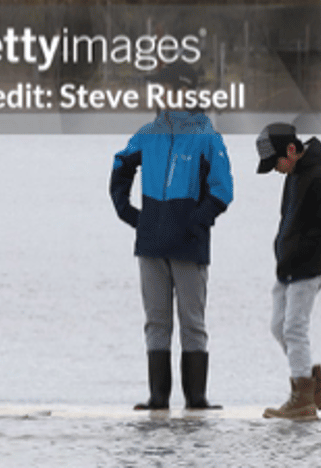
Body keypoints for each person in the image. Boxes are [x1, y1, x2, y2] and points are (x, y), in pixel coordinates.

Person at [110, 93, 234, 410]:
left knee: (192, 323)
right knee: (156, 323)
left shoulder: (207, 137)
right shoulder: (147, 134)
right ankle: (158, 399)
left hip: (190, 247)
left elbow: (223, 190)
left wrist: (195, 222)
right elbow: (120, 165)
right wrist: (128, 212)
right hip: (150, 245)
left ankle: (196, 400)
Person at [256, 121, 321, 421]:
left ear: (291, 150)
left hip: (309, 266)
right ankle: (315, 386)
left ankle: (302, 398)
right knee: (279, 326)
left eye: (275, 162)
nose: (275, 169)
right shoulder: (293, 175)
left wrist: (298, 254)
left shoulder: (318, 176)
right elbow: (286, 218)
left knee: (294, 328)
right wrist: (282, 251)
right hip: (288, 267)